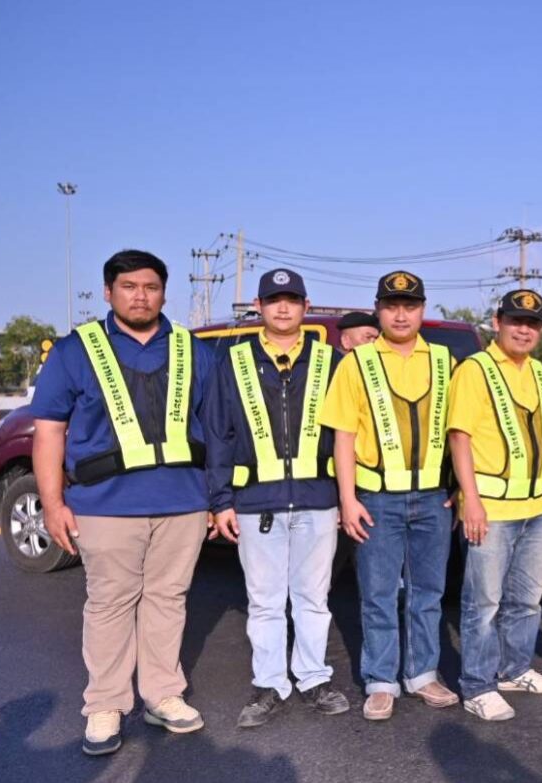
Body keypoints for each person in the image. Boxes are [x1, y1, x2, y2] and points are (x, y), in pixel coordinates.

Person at [34, 250, 216, 755]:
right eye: (129, 286)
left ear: (164, 294)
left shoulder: (193, 350)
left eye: (151, 287)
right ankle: (106, 704)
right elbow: (49, 431)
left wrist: (214, 497)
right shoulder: (75, 350)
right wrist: (52, 503)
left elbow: (214, 428)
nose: (141, 296)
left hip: (182, 501)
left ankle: (162, 694)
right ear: (108, 292)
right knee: (110, 603)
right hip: (104, 504)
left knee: (168, 599)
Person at [204, 269, 350, 729]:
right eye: (273, 300)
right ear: (259, 307)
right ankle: (269, 684)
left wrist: (347, 498)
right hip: (255, 503)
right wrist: (220, 501)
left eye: (291, 299)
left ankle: (313, 678)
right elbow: (218, 435)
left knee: (313, 598)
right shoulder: (233, 362)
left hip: (318, 500)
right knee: (265, 601)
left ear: (306, 306)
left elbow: (348, 435)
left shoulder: (331, 361)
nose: (282, 308)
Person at [320, 270, 459, 721]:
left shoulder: (445, 361)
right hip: (376, 498)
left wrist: (460, 488)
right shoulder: (356, 363)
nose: (401, 315)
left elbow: (459, 433)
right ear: (378, 310)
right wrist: (348, 499)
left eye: (410, 306)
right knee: (378, 594)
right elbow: (343, 436)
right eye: (392, 306)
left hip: (434, 498)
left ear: (422, 310)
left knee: (428, 593)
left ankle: (422, 674)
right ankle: (381, 681)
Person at [449, 289, 542, 721]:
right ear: (497, 322)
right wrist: (471, 501)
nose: (524, 330)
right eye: (516, 321)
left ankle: (514, 669)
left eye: (533, 324)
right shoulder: (475, 370)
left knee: (527, 600)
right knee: (483, 604)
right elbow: (459, 437)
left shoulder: (538, 371)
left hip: (534, 505)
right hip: (492, 507)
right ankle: (477, 685)